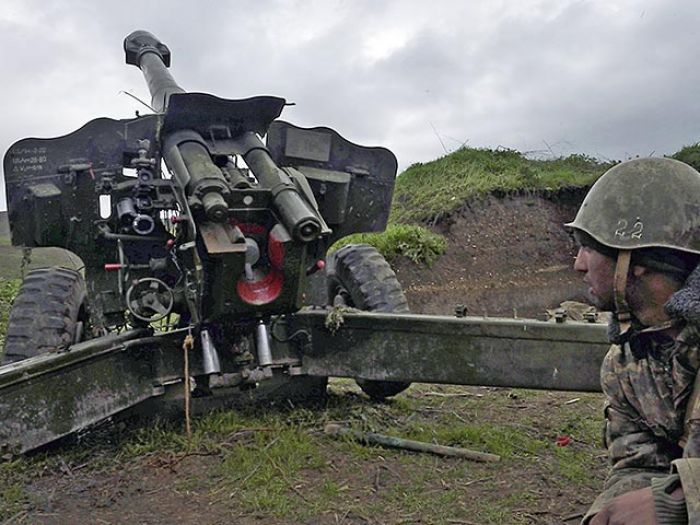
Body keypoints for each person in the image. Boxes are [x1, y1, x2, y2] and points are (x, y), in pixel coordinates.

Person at [566, 157, 700, 524]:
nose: (578, 264)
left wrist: (677, 499)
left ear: (635, 259)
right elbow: (638, 465)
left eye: (587, 247)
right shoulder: (626, 362)